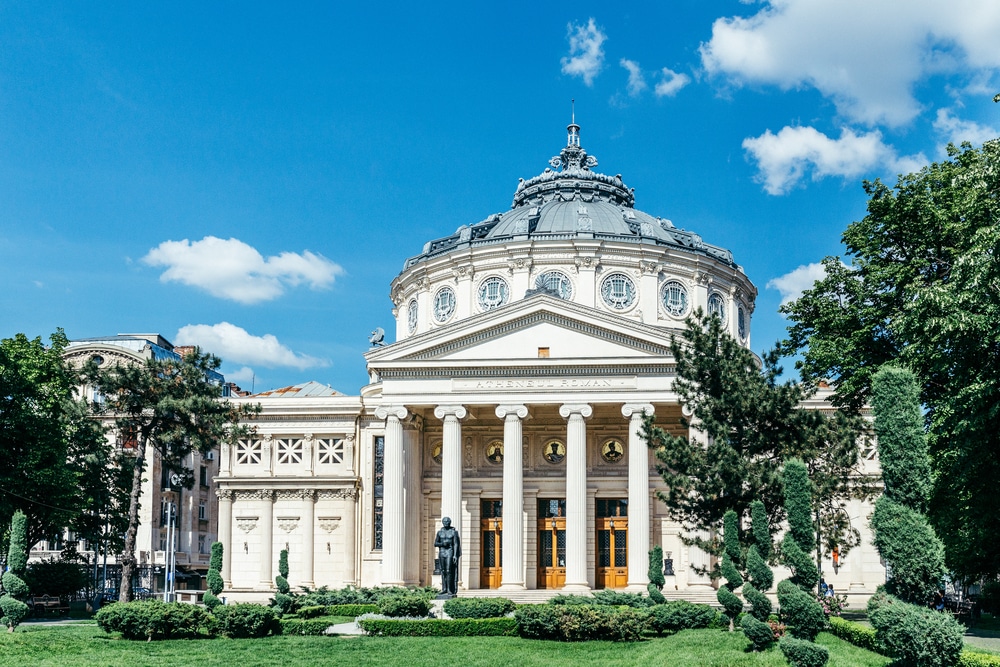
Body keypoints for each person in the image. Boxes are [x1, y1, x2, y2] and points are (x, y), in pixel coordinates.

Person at [434, 516, 462, 596]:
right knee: (443, 571)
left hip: (450, 551)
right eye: (445, 522)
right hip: (442, 552)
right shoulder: (440, 532)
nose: (446, 523)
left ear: (450, 522)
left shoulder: (453, 532)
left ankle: (450, 589)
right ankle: (444, 589)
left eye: (447, 522)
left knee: (449, 570)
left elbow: (456, 544)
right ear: (442, 523)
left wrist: (455, 555)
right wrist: (442, 544)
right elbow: (435, 543)